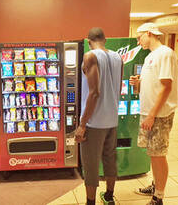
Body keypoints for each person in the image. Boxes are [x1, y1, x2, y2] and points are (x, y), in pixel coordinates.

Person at [130, 22, 178, 205]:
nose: (137, 41)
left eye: (139, 37)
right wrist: (138, 84)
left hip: (159, 115)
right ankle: (155, 184)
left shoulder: (165, 53)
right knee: (153, 153)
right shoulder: (151, 56)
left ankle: (159, 196)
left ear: (149, 33)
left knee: (158, 155)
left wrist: (152, 115)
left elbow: (166, 87)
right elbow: (155, 85)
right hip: (150, 113)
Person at [75, 27, 123, 205]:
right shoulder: (118, 57)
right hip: (112, 119)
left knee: (91, 164)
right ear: (105, 39)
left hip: (94, 122)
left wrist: (82, 123)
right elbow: (118, 89)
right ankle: (109, 197)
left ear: (88, 42)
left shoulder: (90, 56)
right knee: (110, 158)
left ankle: (90, 202)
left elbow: (94, 93)